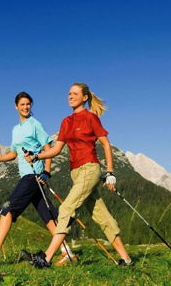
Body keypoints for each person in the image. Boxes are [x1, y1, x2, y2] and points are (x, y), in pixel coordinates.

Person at [23, 83, 133, 268]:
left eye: (75, 93)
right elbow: (56, 149)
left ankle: (46, 258)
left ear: (85, 97)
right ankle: (127, 260)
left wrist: (110, 172)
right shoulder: (66, 121)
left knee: (66, 209)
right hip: (76, 173)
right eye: (69, 93)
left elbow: (106, 144)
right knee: (101, 215)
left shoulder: (91, 118)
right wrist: (36, 156)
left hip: (90, 169)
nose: (70, 96)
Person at [0, 92, 76, 265]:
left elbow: (48, 147)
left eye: (28, 104)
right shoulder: (16, 129)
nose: (26, 107)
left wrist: (46, 171)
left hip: (33, 176)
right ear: (16, 107)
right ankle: (68, 253)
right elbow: (14, 154)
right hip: (29, 177)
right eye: (22, 105)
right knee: (48, 216)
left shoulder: (35, 124)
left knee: (7, 209)